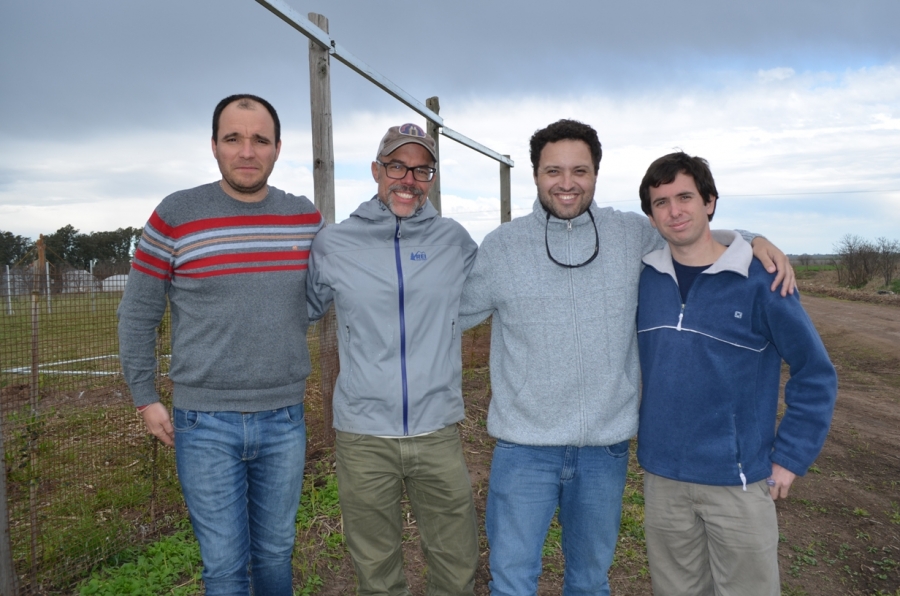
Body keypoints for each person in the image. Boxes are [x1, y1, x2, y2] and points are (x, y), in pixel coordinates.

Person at [458, 119, 796, 596]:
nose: (567, 182)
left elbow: (691, 233)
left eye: (580, 169)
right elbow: (449, 315)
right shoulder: (503, 248)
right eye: (554, 170)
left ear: (596, 173)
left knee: (590, 582)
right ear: (535, 174)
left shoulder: (631, 235)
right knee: (512, 581)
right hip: (523, 448)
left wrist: (753, 238)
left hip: (605, 450)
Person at [117, 94, 323, 596]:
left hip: (284, 418)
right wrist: (144, 397)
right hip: (203, 423)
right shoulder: (177, 214)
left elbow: (330, 295)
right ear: (214, 146)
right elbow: (138, 311)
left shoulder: (304, 219)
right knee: (225, 569)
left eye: (260, 140)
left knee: (276, 554)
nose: (246, 151)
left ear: (277, 149)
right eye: (233, 138)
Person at [635, 152, 837, 596]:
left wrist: (790, 456)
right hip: (663, 479)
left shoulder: (760, 281)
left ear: (709, 202)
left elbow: (815, 372)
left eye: (685, 196)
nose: (675, 211)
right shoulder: (645, 280)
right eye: (661, 202)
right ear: (651, 218)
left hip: (739, 482)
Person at [306, 123, 479, 595]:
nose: (409, 179)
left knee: (456, 564)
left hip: (437, 428)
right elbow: (299, 307)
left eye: (421, 169)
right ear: (377, 171)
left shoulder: (454, 241)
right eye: (397, 166)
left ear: (432, 177)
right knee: (376, 572)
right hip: (363, 435)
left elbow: (488, 298)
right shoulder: (334, 244)